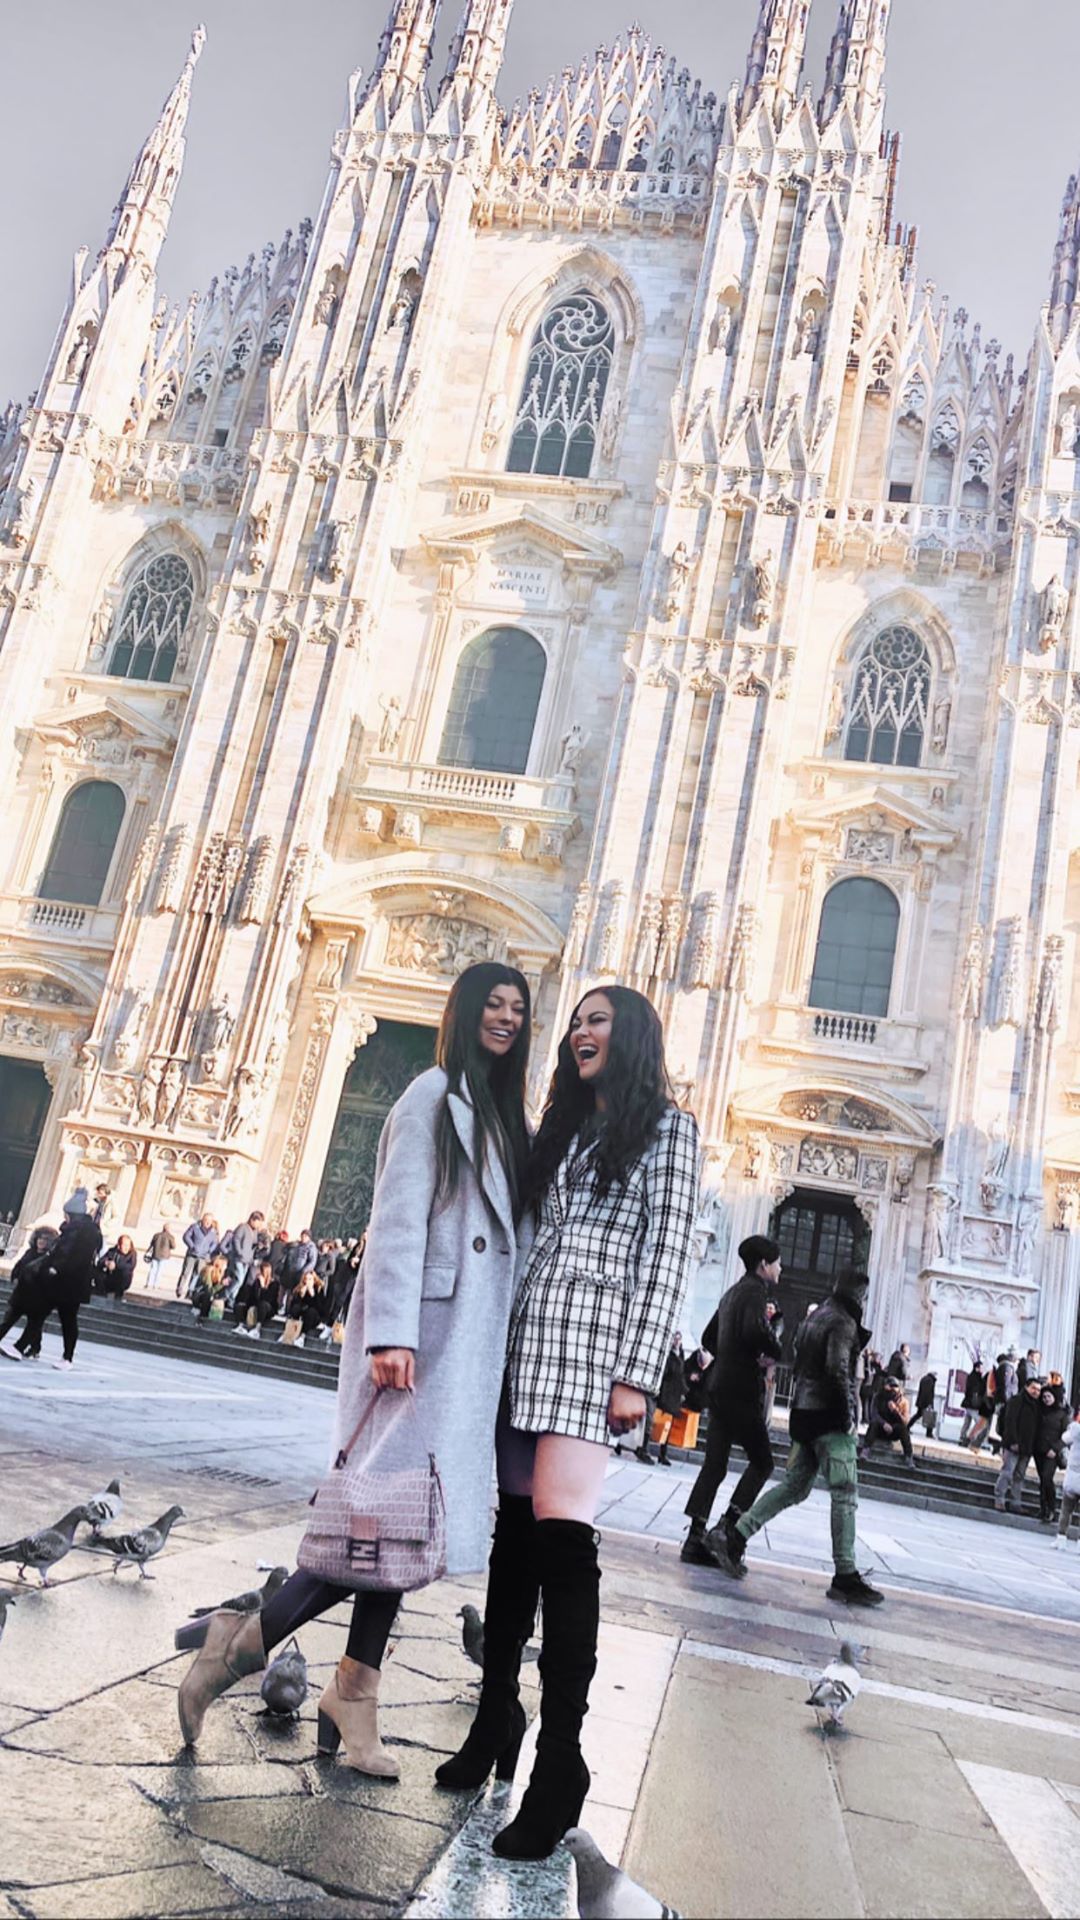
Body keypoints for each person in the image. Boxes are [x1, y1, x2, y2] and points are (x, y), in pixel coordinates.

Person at [175, 960, 533, 1771]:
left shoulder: (505, 1114)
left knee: (396, 1531)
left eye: (518, 1008)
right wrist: (391, 1333)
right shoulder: (433, 1095)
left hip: (467, 1348)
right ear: (465, 1011)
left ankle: (354, 1698)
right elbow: (398, 1217)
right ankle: (239, 1646)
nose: (507, 1018)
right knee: (377, 1525)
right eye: (494, 1004)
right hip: (426, 1343)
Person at [442, 985, 700, 1862]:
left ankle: (560, 1765)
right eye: (578, 1021)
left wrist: (638, 1372)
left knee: (562, 1541)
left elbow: (667, 1253)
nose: (581, 1032)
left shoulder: (668, 1130)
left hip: (594, 1347)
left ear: (633, 1037)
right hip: (528, 1334)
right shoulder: (567, 1126)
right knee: (514, 1535)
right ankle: (494, 1718)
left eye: (599, 1020)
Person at [708, 1270, 884, 1608]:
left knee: (794, 1487)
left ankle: (735, 1536)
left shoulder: (815, 1317)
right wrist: (848, 1418)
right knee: (845, 1492)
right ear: (859, 1296)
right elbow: (837, 1371)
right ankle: (845, 1575)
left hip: (803, 1414)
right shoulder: (844, 1322)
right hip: (829, 1419)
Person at [680, 1236, 782, 1566]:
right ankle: (726, 1528)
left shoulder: (731, 1292)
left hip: (718, 1387)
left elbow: (709, 1337)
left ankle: (695, 1537)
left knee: (715, 1464)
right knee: (763, 1462)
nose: (780, 1268)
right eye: (777, 1262)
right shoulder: (755, 1291)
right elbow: (755, 1332)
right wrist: (774, 1349)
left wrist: (730, 1352)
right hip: (740, 1389)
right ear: (764, 1264)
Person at [18, 1189, 103, 1371]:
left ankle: (66, 1357)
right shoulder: (76, 1229)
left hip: (70, 1283)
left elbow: (73, 1256)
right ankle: (22, 1347)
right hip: (63, 1282)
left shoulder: (81, 1232)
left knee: (65, 1319)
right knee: (42, 1314)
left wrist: (56, 1268)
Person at [0, 1224, 59, 1359]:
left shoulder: (50, 1259)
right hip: (21, 1294)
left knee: (33, 1324)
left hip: (36, 1297)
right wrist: (15, 1277)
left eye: (45, 1239)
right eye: (40, 1238)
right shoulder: (29, 1252)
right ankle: (35, 1347)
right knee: (9, 1320)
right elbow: (19, 1266)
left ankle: (31, 1348)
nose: (41, 1241)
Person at [994, 1374, 1043, 1513]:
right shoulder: (1016, 1401)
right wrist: (1013, 1441)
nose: (1036, 1392)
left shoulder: (1037, 1406)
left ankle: (1015, 1503)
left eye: (1038, 1390)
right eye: (1033, 1388)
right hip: (1013, 1445)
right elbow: (1010, 1422)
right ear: (1026, 1387)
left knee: (1019, 1476)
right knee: (1007, 1473)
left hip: (1027, 1447)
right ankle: (999, 1499)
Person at [648, 1337, 688, 1466]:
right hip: (665, 1392)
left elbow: (681, 1374)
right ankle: (647, 1448)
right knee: (656, 1422)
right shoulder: (667, 1354)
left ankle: (663, 1453)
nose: (677, 1341)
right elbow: (668, 1372)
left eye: (679, 1339)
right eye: (675, 1338)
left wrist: (684, 1391)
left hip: (674, 1395)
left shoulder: (680, 1354)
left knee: (667, 1426)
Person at [861, 1375, 916, 1466]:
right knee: (873, 1424)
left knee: (903, 1429)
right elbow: (874, 1414)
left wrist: (895, 1411)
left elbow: (905, 1422)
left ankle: (908, 1456)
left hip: (894, 1430)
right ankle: (866, 1449)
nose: (891, 1391)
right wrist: (884, 1424)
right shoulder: (878, 1397)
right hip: (880, 1428)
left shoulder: (903, 1401)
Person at [1036, 1380, 1069, 1524]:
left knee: (1047, 1478)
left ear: (1054, 1397)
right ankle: (1043, 1508)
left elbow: (1066, 1436)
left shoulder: (1062, 1414)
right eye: (1044, 1397)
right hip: (1039, 1450)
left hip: (1053, 1452)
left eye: (1049, 1396)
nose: (1046, 1399)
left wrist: (1056, 1448)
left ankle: (1051, 1509)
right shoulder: (1039, 1411)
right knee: (1042, 1479)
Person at [223, 1210, 266, 1305]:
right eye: (258, 1222)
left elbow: (253, 1242)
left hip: (247, 1259)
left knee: (240, 1281)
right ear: (252, 1220)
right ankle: (225, 1295)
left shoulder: (255, 1231)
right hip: (239, 1258)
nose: (259, 1225)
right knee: (239, 1279)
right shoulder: (242, 1227)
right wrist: (239, 1252)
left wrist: (258, 1245)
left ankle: (231, 1300)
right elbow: (236, 1239)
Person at [232, 1258, 281, 1336]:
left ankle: (257, 1329)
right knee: (239, 1306)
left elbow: (268, 1299)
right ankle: (240, 1326)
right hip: (256, 1304)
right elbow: (254, 1296)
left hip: (268, 1308)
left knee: (263, 1304)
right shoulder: (257, 1281)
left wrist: (263, 1287)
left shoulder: (274, 1284)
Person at [283, 1270, 330, 1346]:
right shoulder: (299, 1288)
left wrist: (313, 1295)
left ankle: (302, 1337)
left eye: (310, 1279)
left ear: (314, 1280)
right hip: (302, 1313)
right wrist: (301, 1296)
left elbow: (321, 1309)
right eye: (306, 1279)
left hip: (314, 1315)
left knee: (311, 1312)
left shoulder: (319, 1289)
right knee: (296, 1308)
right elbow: (293, 1305)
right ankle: (289, 1332)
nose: (308, 1281)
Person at [1055, 1407, 1080, 1549]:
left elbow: (1065, 1438)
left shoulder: (1076, 1430)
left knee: (1066, 1510)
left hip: (1073, 1478)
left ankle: (1061, 1538)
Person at [179, 1214, 220, 1298]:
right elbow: (186, 1236)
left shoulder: (213, 1232)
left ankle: (190, 1291)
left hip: (203, 1256)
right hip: (192, 1254)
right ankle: (180, 1288)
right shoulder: (195, 1227)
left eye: (209, 1221)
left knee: (197, 1274)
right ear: (202, 1220)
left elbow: (215, 1243)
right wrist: (192, 1246)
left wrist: (209, 1250)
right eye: (206, 1220)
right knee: (186, 1272)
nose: (207, 1222)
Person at [93, 1234, 137, 1298]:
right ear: (119, 1245)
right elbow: (101, 1261)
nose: (126, 1247)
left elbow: (131, 1266)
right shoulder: (112, 1251)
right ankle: (100, 1293)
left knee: (125, 1273)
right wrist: (107, 1263)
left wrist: (116, 1265)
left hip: (122, 1279)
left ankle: (118, 1295)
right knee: (96, 1270)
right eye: (124, 1245)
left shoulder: (132, 1254)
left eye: (128, 1245)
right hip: (110, 1276)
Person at [191, 1254, 229, 1320]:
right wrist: (221, 1284)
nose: (226, 1267)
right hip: (199, 1295)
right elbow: (209, 1290)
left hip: (207, 1294)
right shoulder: (208, 1271)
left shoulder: (219, 1273)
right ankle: (202, 1316)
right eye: (225, 1265)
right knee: (207, 1296)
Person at [958, 1360, 986, 1447]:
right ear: (977, 1368)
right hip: (972, 1405)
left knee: (967, 1421)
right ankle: (970, 1438)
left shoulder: (973, 1377)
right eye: (981, 1368)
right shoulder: (976, 1378)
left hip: (969, 1403)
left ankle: (962, 1437)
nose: (982, 1369)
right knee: (979, 1422)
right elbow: (975, 1391)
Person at [144, 1222, 177, 1290]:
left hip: (155, 1254)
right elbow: (173, 1246)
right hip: (164, 1255)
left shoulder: (156, 1235)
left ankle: (148, 1284)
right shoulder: (170, 1237)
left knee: (152, 1269)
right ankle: (156, 1285)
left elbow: (152, 1243)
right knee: (159, 1270)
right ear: (169, 1229)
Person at [909, 1369, 938, 1440]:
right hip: (926, 1402)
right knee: (930, 1417)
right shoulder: (930, 1380)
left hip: (921, 1401)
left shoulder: (924, 1379)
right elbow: (928, 1393)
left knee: (918, 1415)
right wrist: (929, 1403)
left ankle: (907, 1427)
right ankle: (929, 1433)